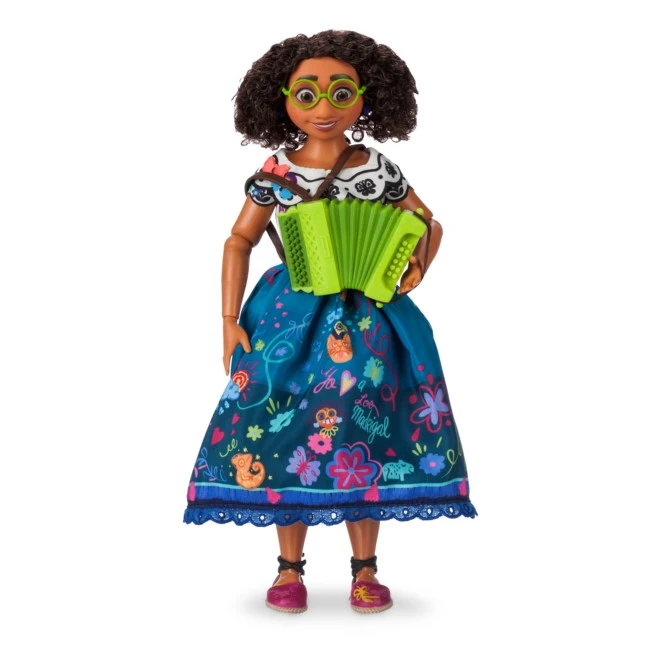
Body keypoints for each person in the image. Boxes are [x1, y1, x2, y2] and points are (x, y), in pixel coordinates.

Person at [184, 30, 476, 614]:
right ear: (281, 100)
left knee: (365, 432)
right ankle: (289, 567)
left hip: (368, 316)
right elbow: (239, 239)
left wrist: (416, 261)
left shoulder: (377, 169)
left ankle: (364, 568)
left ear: (367, 99)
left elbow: (427, 221)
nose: (324, 108)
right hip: (289, 317)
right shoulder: (276, 172)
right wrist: (227, 318)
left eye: (341, 93)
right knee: (282, 431)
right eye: (307, 94)